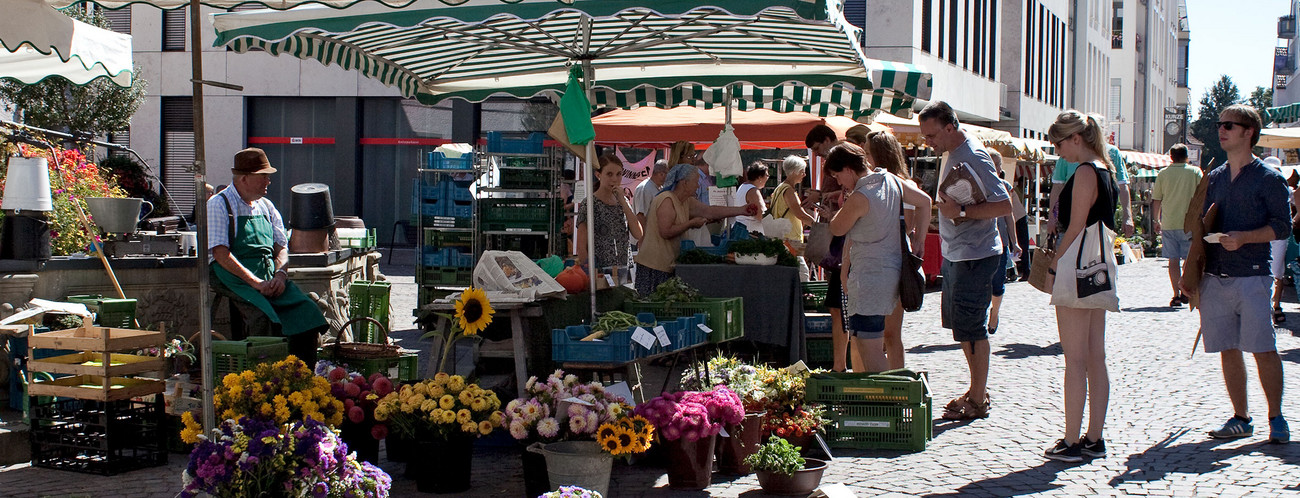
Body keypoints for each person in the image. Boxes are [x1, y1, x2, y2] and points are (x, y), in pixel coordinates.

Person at [1180, 104, 1290, 445]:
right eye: (1220, 123)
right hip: (1215, 274)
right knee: (1228, 348)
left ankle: (1276, 417)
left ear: (1249, 133)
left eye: (1230, 125)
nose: (1222, 129)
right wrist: (1190, 269)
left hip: (1254, 276)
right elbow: (1201, 227)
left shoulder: (1269, 179)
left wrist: (1244, 237)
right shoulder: (1213, 178)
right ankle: (1241, 417)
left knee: (1263, 349)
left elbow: (1282, 227)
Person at [918, 101, 1011, 420]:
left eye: (931, 136)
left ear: (949, 127)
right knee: (964, 328)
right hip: (960, 253)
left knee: (972, 328)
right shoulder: (955, 153)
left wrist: (959, 212)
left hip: (976, 254)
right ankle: (976, 391)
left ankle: (978, 399)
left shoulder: (973, 155)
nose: (927, 143)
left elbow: (1003, 205)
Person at [1040, 111, 1119, 463]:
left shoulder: (1086, 171)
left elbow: (1074, 228)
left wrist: (1054, 265)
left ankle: (1072, 440)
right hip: (1098, 264)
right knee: (1094, 356)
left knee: (1075, 359)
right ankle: (1093, 437)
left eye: (1059, 143)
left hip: (1078, 264)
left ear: (1076, 139)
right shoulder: (1105, 168)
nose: (1058, 152)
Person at [208, 148, 328, 367]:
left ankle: (302, 378)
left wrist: (280, 276)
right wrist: (256, 283)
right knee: (263, 317)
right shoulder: (219, 204)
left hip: (268, 275)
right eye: (263, 175)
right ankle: (261, 382)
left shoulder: (266, 206)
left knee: (307, 311)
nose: (268, 181)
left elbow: (281, 248)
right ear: (244, 178)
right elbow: (221, 254)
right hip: (231, 274)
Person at [828, 143, 932, 372]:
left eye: (837, 176)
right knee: (873, 343)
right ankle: (886, 397)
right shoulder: (891, 180)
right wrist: (919, 242)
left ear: (848, 169)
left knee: (871, 349)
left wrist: (842, 205)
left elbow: (836, 228)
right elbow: (925, 202)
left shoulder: (860, 197)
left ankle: (893, 399)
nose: (838, 182)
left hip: (870, 280)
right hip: (891, 273)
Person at [634, 163, 756, 297]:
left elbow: (709, 211)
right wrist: (691, 223)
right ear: (684, 183)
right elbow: (666, 232)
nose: (698, 185)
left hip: (668, 265)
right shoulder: (666, 200)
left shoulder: (686, 201)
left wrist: (741, 210)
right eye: (696, 181)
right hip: (654, 266)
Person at [866, 131, 924, 369]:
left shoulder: (901, 184)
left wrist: (919, 241)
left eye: (868, 153)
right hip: (875, 261)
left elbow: (910, 220)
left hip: (894, 262)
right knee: (875, 334)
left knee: (890, 333)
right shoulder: (871, 182)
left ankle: (897, 383)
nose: (866, 158)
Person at [576, 153, 644, 285]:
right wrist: (588, 273)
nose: (615, 179)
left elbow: (638, 233)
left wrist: (623, 202)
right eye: (609, 174)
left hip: (624, 270)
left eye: (619, 174)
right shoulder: (590, 203)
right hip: (600, 272)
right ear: (598, 175)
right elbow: (581, 245)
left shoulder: (623, 202)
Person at [1049, 135, 1134, 237]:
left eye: (1059, 144)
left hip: (1094, 227)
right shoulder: (1066, 155)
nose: (1057, 151)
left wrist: (1128, 216)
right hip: (1081, 226)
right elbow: (1057, 187)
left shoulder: (1111, 154)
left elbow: (1122, 186)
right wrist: (1051, 218)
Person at [1151, 143, 1202, 307]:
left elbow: (1157, 199)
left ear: (1171, 157)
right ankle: (1186, 289)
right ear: (1187, 156)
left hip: (1169, 222)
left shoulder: (1163, 174)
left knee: (1173, 261)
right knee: (1188, 260)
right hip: (1190, 223)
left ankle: (1176, 294)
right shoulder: (1195, 172)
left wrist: (1156, 220)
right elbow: (1203, 195)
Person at [987, 150, 1023, 336]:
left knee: (998, 283)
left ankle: (995, 313)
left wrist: (1014, 242)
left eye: (994, 165)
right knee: (983, 283)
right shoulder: (979, 184)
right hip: (981, 242)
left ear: (1000, 168)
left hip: (1000, 242)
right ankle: (981, 316)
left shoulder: (1004, 186)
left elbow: (1010, 217)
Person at [1263, 156, 1294, 324]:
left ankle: (1275, 304)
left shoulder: (1283, 185)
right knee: (1270, 271)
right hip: (1265, 232)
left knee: (1277, 272)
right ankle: (1270, 304)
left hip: (1277, 234)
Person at [733, 162, 769, 235]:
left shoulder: (743, 186)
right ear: (759, 177)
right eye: (766, 175)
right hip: (751, 232)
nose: (768, 177)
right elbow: (760, 215)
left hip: (741, 229)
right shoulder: (753, 191)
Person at [634, 159, 669, 229]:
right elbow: (640, 216)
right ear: (658, 173)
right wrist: (646, 236)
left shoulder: (659, 188)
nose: (666, 178)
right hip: (643, 236)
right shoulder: (645, 188)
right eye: (663, 174)